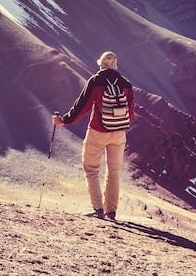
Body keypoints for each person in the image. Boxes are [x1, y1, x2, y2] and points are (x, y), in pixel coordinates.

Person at [52, 51, 135, 220]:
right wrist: (117, 124)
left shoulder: (96, 81)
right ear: (115, 64)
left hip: (98, 131)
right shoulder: (126, 84)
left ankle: (97, 208)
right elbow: (130, 114)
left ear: (101, 64)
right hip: (119, 134)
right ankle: (111, 211)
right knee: (114, 172)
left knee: (91, 169)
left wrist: (65, 120)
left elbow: (82, 105)